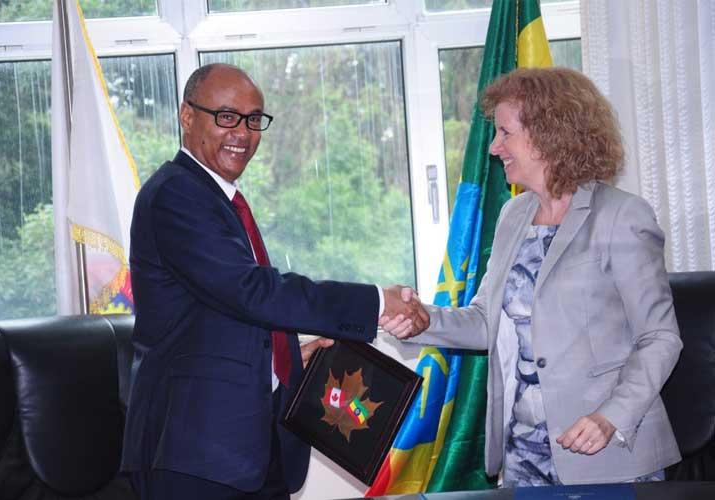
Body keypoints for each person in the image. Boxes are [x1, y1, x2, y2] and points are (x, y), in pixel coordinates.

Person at [120, 63, 429, 499]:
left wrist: (285, 354)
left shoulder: (219, 198)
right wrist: (378, 302)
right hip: (193, 452)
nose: (242, 133)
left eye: (253, 119)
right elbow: (252, 291)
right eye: (226, 116)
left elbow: (218, 310)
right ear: (187, 116)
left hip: (246, 447)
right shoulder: (177, 194)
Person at [382, 67, 682, 486]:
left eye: (505, 133)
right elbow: (487, 322)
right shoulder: (513, 215)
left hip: (607, 451)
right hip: (524, 454)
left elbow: (660, 338)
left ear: (550, 134)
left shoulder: (622, 216)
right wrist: (423, 319)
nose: (493, 148)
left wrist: (610, 417)